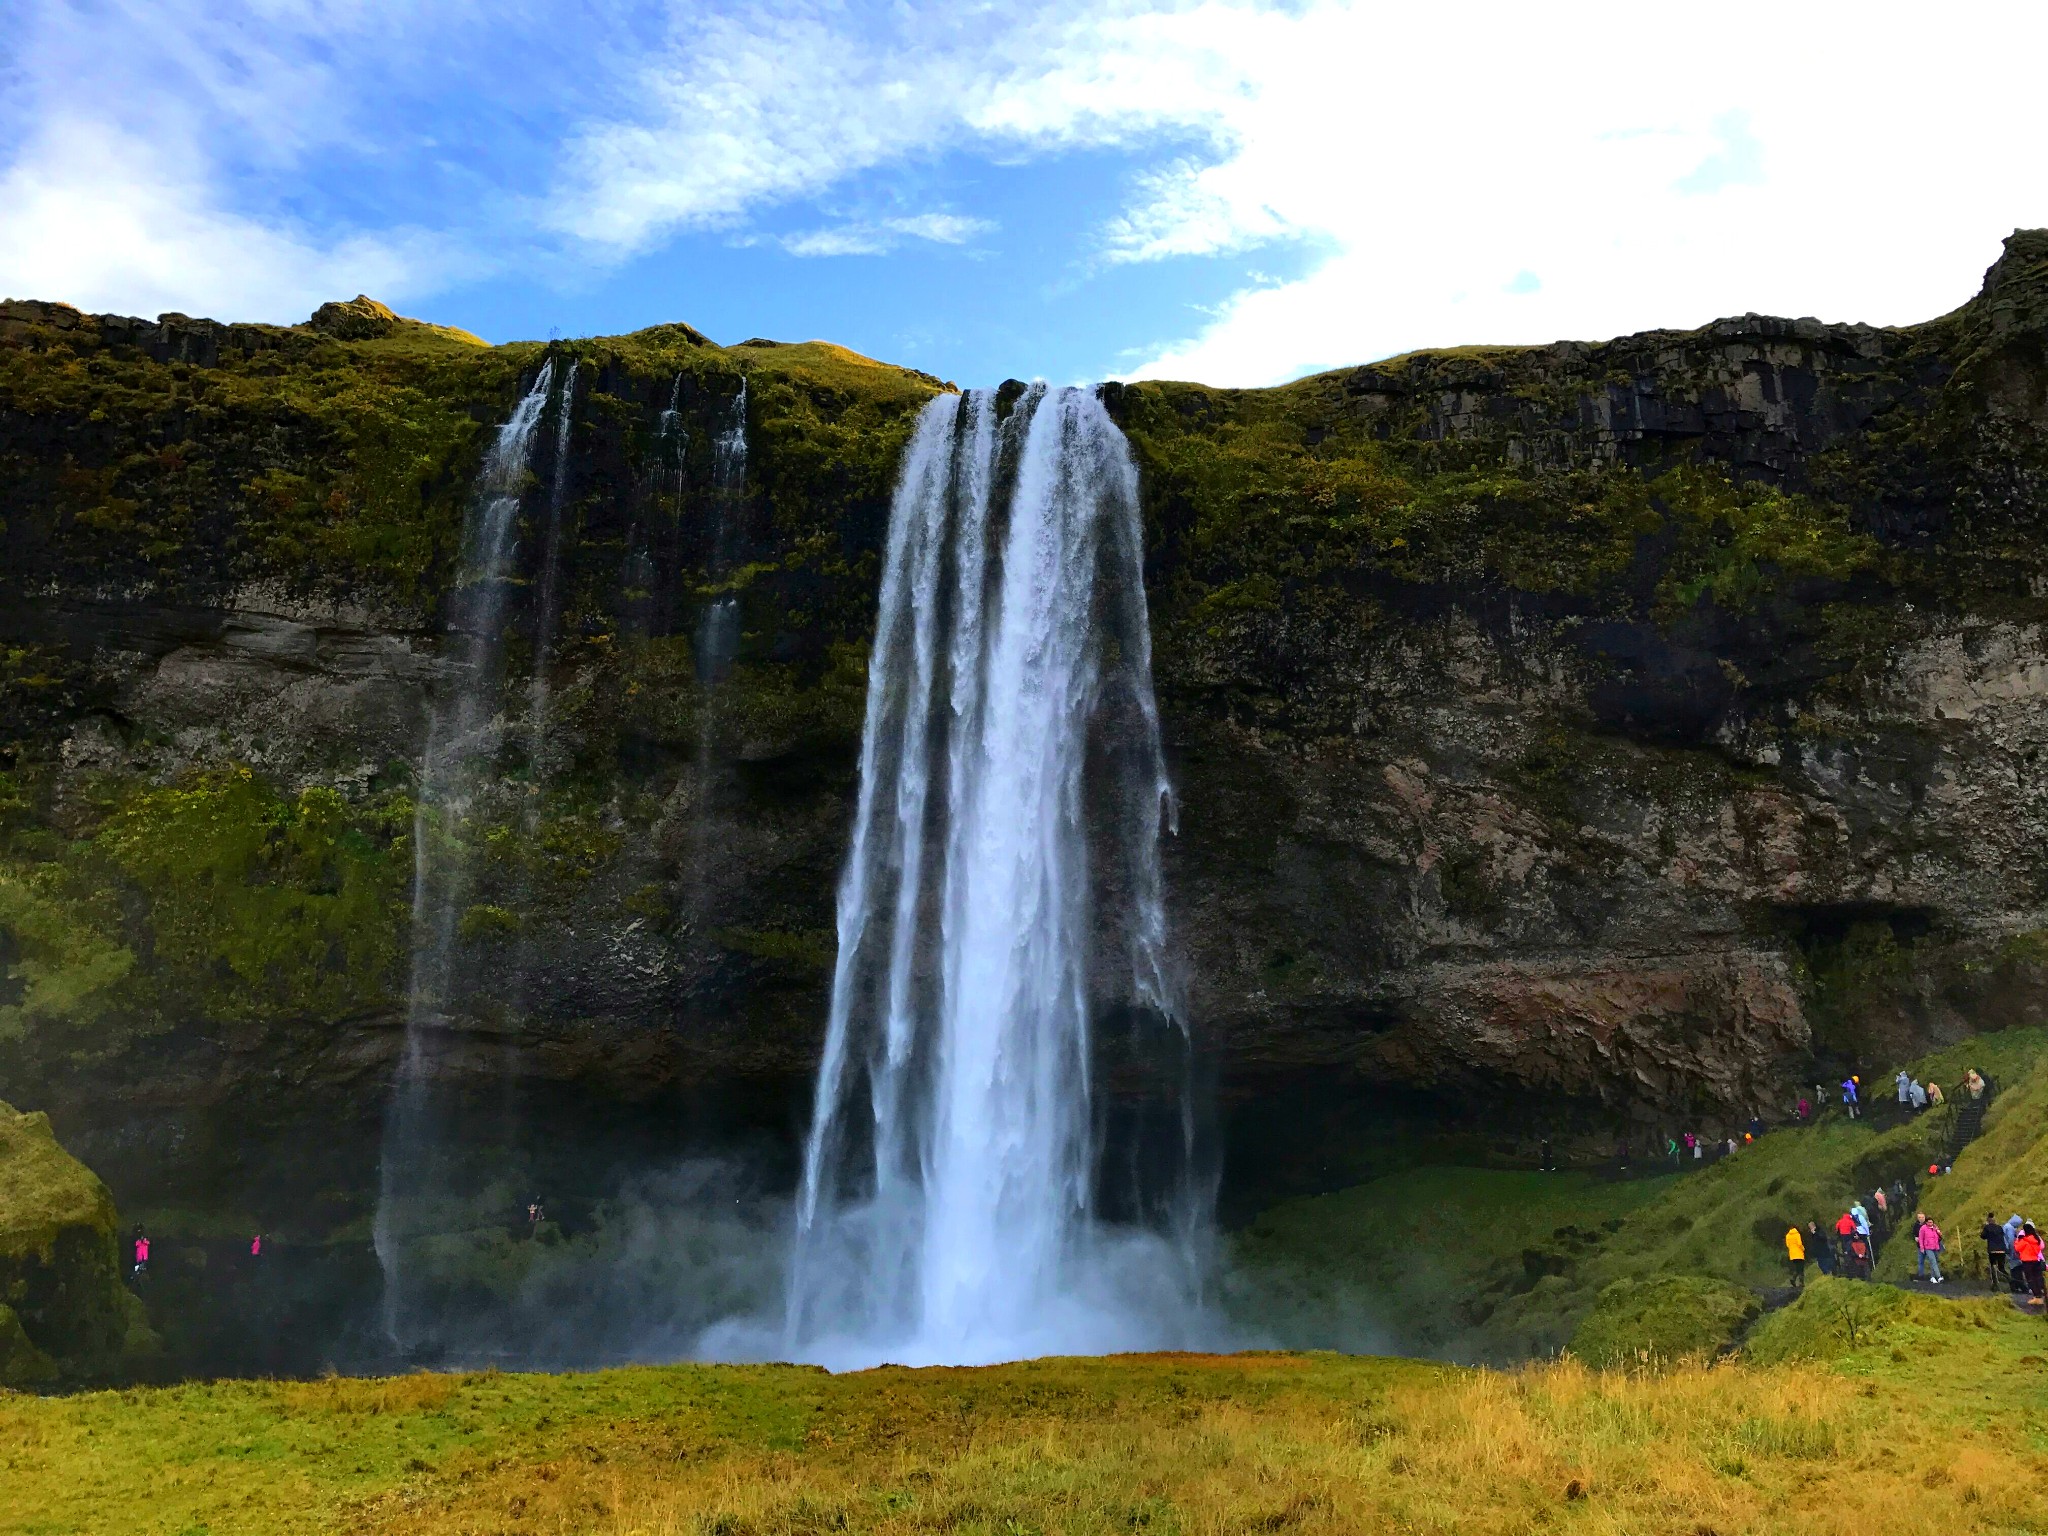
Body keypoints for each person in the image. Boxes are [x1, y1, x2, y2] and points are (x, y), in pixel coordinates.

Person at [2016, 1223, 2046, 1305]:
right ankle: (2040, 1295)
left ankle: (2037, 1297)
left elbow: (2017, 1248)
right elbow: (2041, 1247)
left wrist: (2018, 1240)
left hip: (2027, 1261)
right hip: (2036, 1260)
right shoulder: (2036, 1239)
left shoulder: (2025, 1240)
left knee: (2030, 1279)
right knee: (2037, 1278)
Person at [1983, 1211, 2010, 1292]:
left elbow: (1983, 1236)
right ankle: (2010, 1281)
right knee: (2002, 1268)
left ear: (1988, 1219)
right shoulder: (1999, 1227)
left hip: (1992, 1250)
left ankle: (1995, 1284)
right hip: (2002, 1249)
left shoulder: (1987, 1227)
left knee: (1993, 1267)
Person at [1915, 1213, 1945, 1283]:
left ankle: (1932, 1277)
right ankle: (1939, 1277)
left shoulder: (1935, 1227)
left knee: (1935, 1262)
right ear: (1926, 1222)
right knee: (1933, 1261)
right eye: (1929, 1222)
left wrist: (1939, 1232)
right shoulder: (1923, 1228)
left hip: (1935, 1247)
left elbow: (1940, 1236)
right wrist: (1922, 1248)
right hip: (1928, 1247)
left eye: (1931, 1222)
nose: (1930, 1223)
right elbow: (1921, 1238)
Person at [1785, 1224, 1806, 1290]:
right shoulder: (1797, 1234)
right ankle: (1801, 1283)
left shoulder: (1787, 1236)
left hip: (1792, 1255)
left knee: (1797, 1268)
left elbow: (1788, 1245)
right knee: (1801, 1269)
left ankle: (1793, 1279)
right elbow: (1799, 1243)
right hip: (1799, 1254)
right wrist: (1803, 1249)